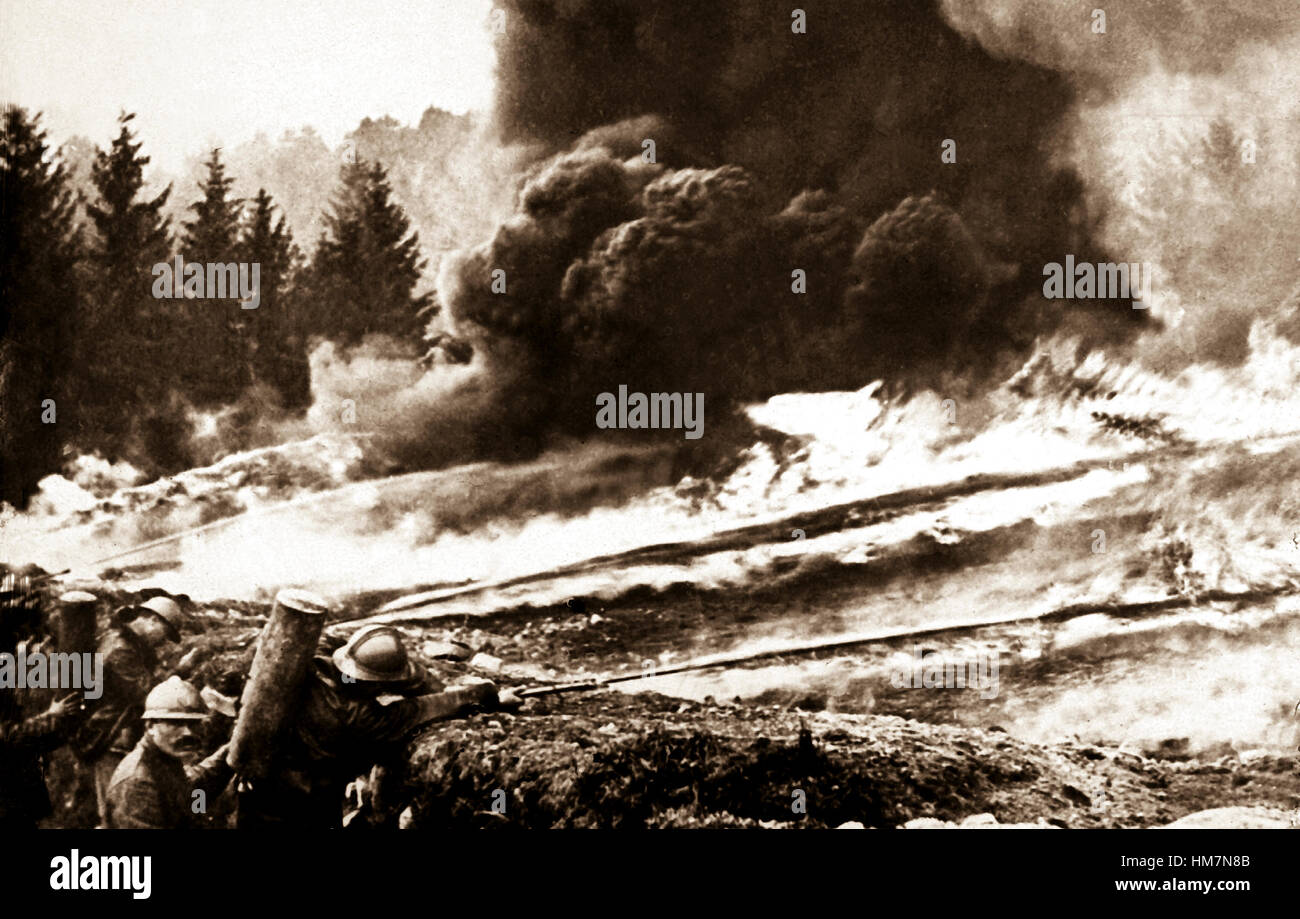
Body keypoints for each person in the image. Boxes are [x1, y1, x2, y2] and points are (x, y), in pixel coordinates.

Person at [236, 624, 520, 828]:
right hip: (305, 807)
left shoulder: (314, 663)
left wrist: (426, 681)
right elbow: (426, 708)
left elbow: (347, 645)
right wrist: (490, 695)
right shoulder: (359, 716)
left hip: (257, 792)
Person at [72, 595, 185, 827]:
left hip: (112, 735)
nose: (164, 642)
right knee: (113, 809)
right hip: (110, 739)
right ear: (153, 620)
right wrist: (181, 671)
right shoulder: (122, 650)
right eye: (165, 634)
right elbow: (147, 695)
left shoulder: (126, 643)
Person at [104, 676, 232, 829]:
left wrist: (234, 749)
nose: (188, 733)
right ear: (150, 726)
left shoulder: (163, 759)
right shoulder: (138, 784)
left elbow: (194, 786)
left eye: (194, 723)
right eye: (175, 723)